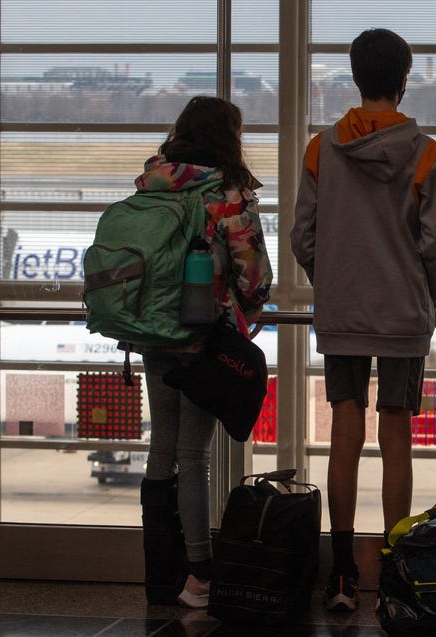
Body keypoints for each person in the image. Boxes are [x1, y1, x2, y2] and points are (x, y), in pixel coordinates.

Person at [291, 28, 436, 611]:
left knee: (344, 430)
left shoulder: (321, 148)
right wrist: (423, 290)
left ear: (355, 76)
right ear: (404, 77)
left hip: (342, 312)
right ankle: (396, 571)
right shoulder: (427, 152)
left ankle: (340, 574)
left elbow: (302, 237)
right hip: (403, 314)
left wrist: (334, 281)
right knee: (396, 437)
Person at [138, 96, 273, 608]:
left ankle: (159, 577)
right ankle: (199, 576)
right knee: (192, 455)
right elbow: (254, 277)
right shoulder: (226, 193)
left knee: (162, 448)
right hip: (202, 334)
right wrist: (249, 305)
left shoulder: (153, 181)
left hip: (152, 329)